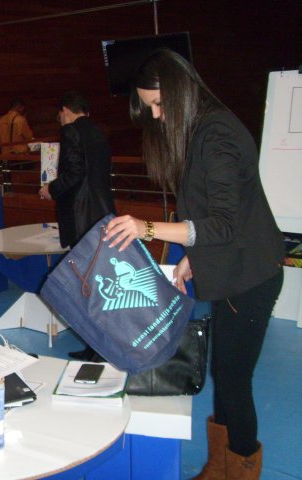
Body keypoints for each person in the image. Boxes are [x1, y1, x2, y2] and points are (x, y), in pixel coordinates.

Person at [104, 49, 284, 480]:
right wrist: (191, 258)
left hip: (250, 275)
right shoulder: (202, 129)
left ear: (179, 90)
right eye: (150, 108)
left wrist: (147, 228)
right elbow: (211, 220)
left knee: (234, 380)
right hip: (232, 269)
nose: (157, 115)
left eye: (158, 104)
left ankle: (241, 468)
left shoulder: (216, 132)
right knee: (225, 374)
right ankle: (219, 466)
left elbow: (223, 224)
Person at [39, 90, 115, 361]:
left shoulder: (71, 131)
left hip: (82, 218)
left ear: (66, 110)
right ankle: (100, 346)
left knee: (87, 286)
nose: (60, 119)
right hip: (103, 215)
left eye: (60, 114)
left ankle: (96, 349)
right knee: (99, 283)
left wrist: (51, 189)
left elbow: (73, 173)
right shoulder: (98, 132)